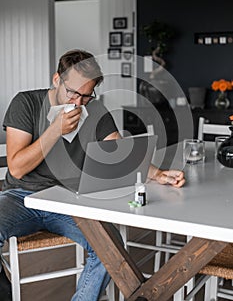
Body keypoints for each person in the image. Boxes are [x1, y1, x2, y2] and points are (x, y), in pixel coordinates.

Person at [0, 49, 185, 301]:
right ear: (57, 80)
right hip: (20, 197)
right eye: (73, 92)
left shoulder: (95, 110)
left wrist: (158, 174)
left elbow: (121, 153)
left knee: (110, 248)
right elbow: (17, 168)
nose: (78, 103)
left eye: (86, 96)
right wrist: (55, 129)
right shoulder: (26, 103)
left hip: (69, 200)